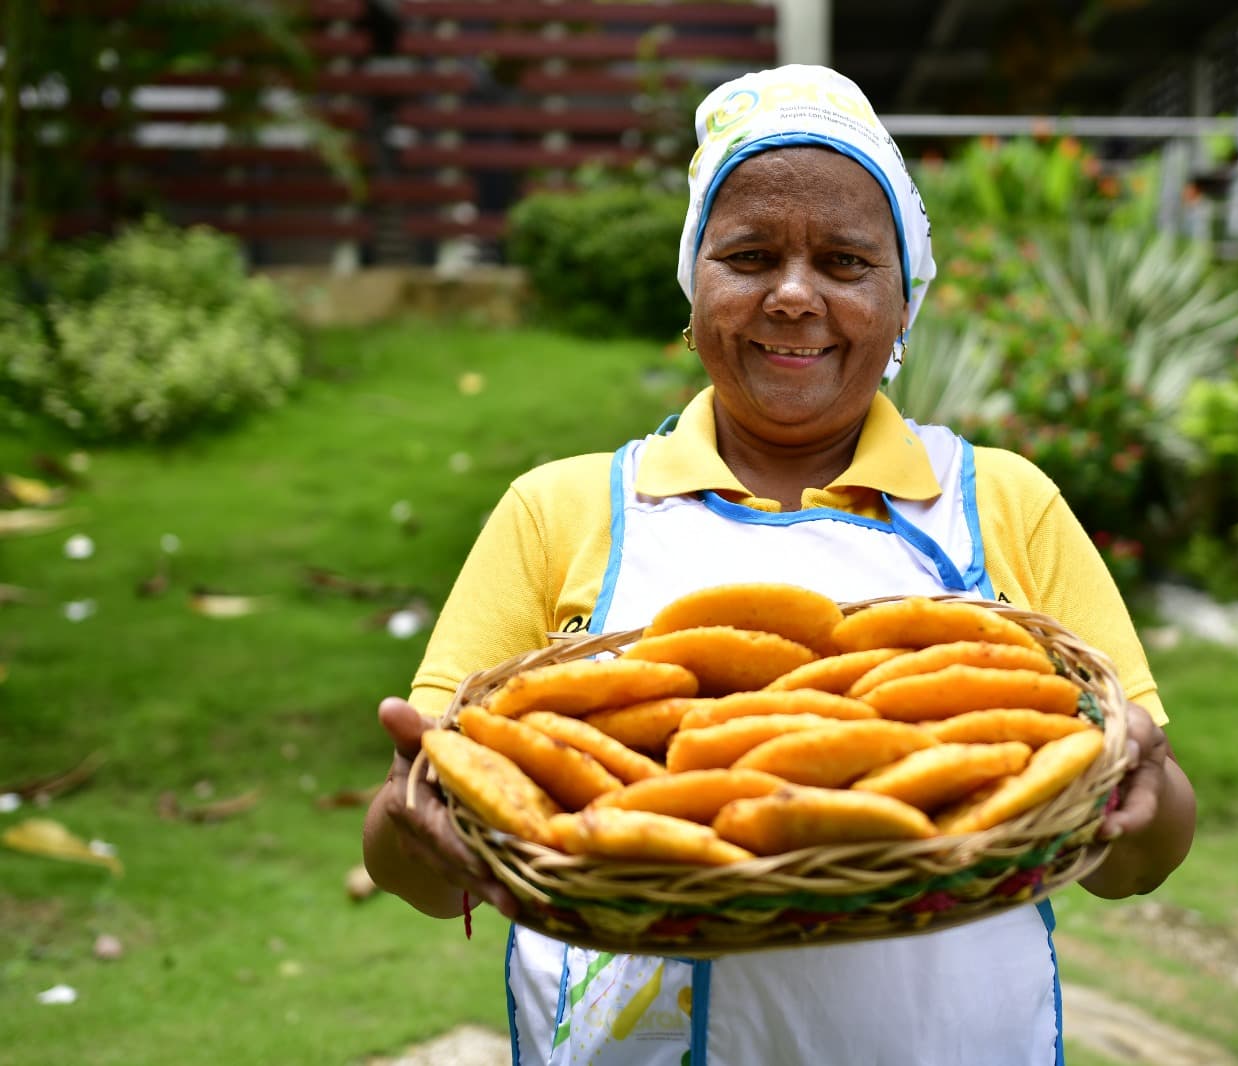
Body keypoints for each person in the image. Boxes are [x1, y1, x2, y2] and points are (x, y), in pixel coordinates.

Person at [363, 64, 1195, 1066]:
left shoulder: (1001, 502)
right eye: (750, 254)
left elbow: (1133, 854)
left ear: (902, 300)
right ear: (695, 284)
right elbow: (431, 851)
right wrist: (408, 827)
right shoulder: (561, 509)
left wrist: (1145, 798)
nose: (794, 296)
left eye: (845, 262)